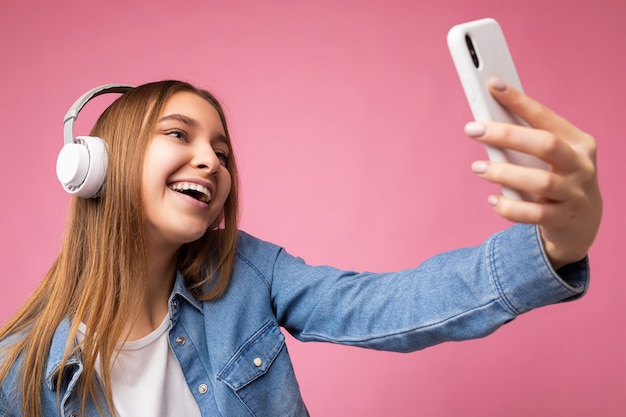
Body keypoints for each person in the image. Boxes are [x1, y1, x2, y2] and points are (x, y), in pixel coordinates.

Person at [0, 78, 601, 417]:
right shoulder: (21, 371)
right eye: (179, 135)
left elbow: (388, 305)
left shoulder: (250, 275)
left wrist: (551, 245)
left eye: (223, 152)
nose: (210, 160)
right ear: (96, 166)